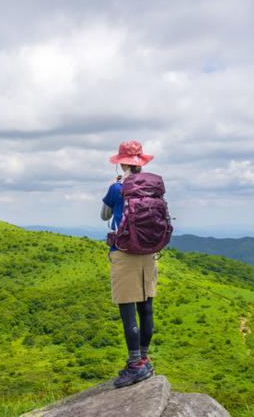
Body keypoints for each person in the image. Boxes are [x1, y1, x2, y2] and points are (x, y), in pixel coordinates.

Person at [100, 140, 158, 388]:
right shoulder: (154, 187)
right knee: (146, 307)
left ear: (122, 162)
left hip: (124, 252)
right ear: (141, 162)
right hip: (149, 252)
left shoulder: (117, 188)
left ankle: (135, 365)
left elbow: (104, 215)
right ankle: (144, 358)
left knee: (128, 311)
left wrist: (115, 193)